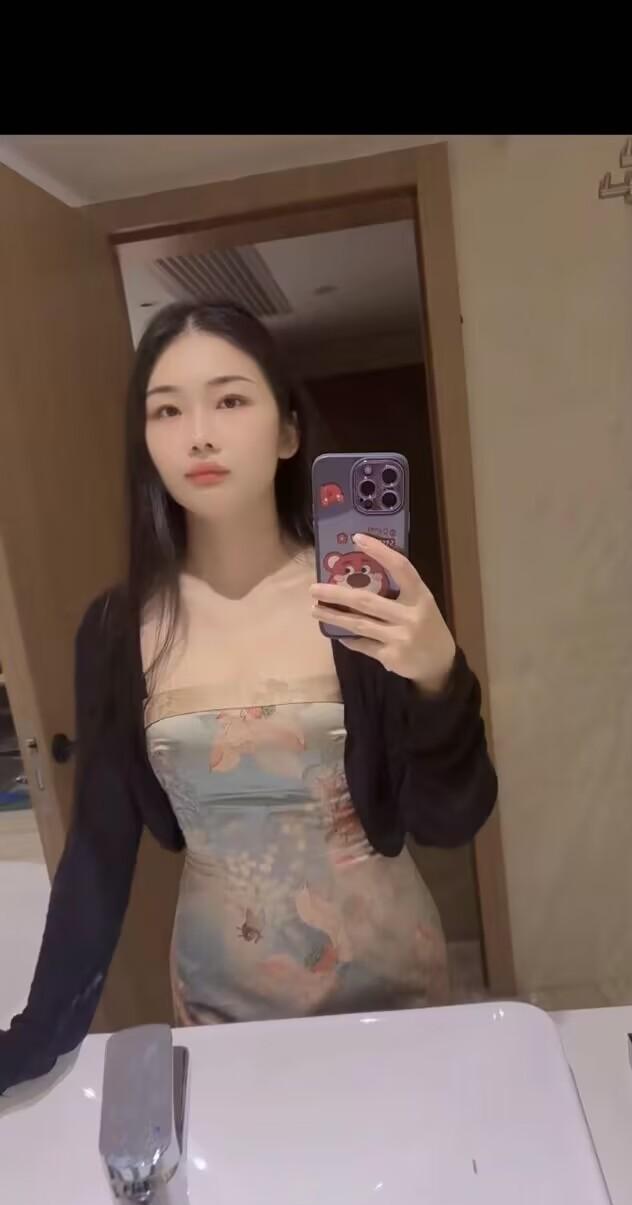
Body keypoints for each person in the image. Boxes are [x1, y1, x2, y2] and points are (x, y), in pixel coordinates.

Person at [0, 300, 498, 1093]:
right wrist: (39, 1033)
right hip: (221, 999)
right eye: (167, 410)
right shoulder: (118, 629)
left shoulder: (358, 599)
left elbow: (448, 821)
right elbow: (99, 847)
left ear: (289, 430)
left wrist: (440, 677)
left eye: (230, 399)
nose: (199, 434)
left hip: (392, 982)